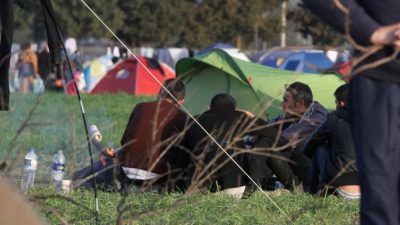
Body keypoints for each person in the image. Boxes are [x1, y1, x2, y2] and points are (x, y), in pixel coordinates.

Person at [302, 1, 400, 224]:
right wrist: (371, 31)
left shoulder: (332, 119)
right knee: (383, 201)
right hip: (382, 79)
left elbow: (310, 145)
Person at [73, 78, 189, 192]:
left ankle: (71, 177)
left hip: (125, 175)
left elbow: (125, 142)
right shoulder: (183, 118)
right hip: (156, 181)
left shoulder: (140, 107)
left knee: (106, 165)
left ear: (160, 93)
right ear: (181, 102)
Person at [184, 93, 298, 198]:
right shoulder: (239, 116)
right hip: (234, 188)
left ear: (210, 107)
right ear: (234, 108)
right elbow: (274, 135)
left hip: (198, 188)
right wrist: (251, 116)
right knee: (267, 142)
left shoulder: (193, 120)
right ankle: (294, 186)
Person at [303, 84, 359, 199]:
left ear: (341, 103)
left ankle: (314, 191)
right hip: (370, 191)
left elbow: (309, 145)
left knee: (319, 147)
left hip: (345, 190)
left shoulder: (334, 119)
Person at [272, 82, 328, 191]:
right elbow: (271, 124)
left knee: (292, 147)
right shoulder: (293, 114)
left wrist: (264, 133)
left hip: (323, 175)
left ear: (300, 104)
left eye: (285, 100)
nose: (282, 105)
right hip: (308, 167)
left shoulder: (317, 116)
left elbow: (285, 139)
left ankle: (300, 187)